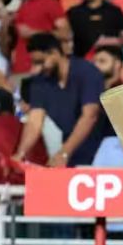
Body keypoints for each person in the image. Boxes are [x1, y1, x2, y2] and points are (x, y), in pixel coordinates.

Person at [16, 33, 103, 167]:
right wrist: (21, 154)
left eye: (40, 62)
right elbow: (34, 122)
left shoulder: (87, 72)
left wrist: (64, 152)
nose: (36, 68)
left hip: (102, 147)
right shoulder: (40, 82)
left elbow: (90, 116)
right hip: (71, 147)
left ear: (55, 53)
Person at [11, 0, 69, 76]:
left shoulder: (49, 4)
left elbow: (65, 34)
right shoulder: (17, 9)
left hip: (43, 71)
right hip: (18, 70)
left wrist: (34, 32)